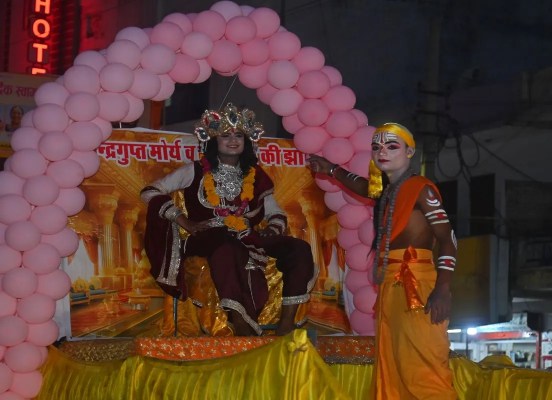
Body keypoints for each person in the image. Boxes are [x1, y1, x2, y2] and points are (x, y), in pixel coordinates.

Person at [308, 122, 457, 399]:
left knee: (423, 362)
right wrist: (331, 170)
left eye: (391, 146)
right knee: (393, 360)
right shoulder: (390, 190)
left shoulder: (421, 189)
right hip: (389, 283)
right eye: (376, 147)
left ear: (409, 152)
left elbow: (449, 239)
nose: (382, 152)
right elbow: (365, 188)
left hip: (416, 283)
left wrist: (443, 288)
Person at [141, 103, 316, 336]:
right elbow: (150, 192)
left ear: (246, 141)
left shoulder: (255, 175)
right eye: (225, 135)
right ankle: (240, 322)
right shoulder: (195, 170)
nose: (233, 140)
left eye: (238, 135)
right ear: (214, 140)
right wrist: (184, 221)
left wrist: (272, 230)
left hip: (246, 235)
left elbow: (276, 213)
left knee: (299, 248)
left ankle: (286, 323)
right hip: (207, 237)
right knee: (227, 246)